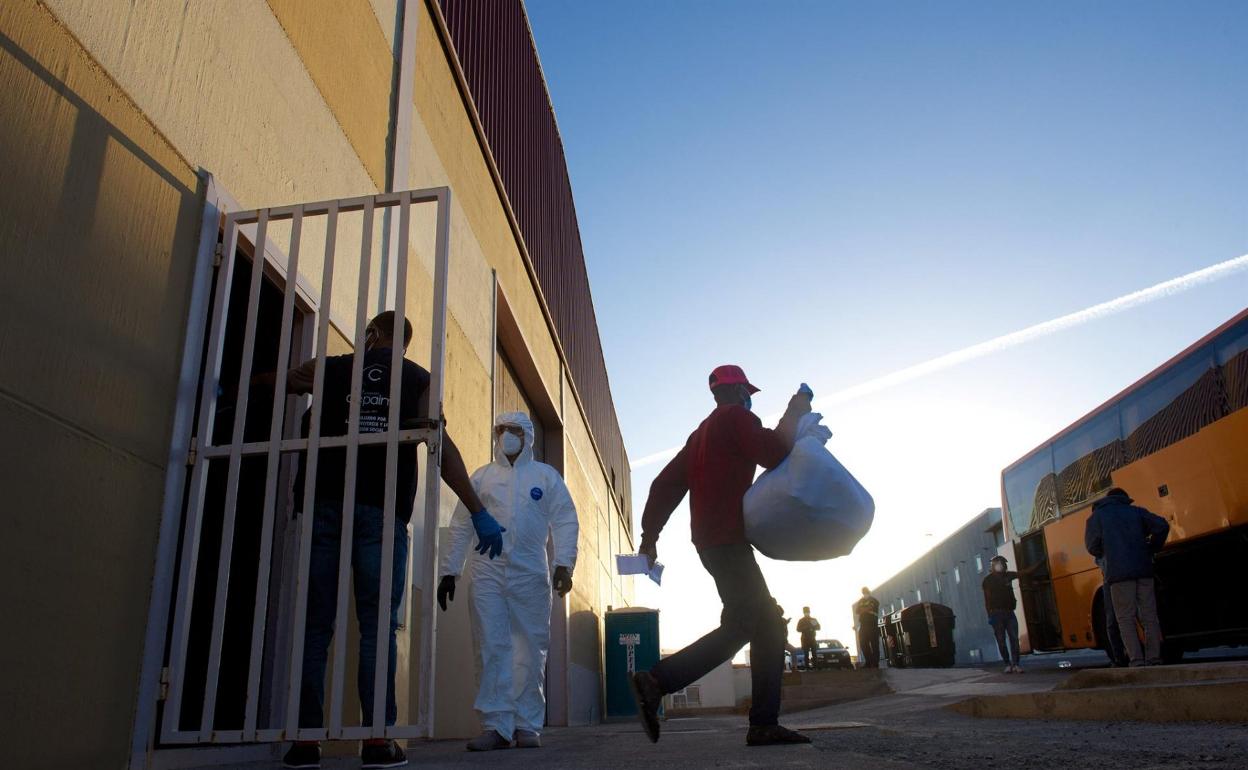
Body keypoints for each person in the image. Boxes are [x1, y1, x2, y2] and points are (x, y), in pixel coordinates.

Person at [272, 312, 504, 770]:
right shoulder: (415, 377)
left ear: (371, 335)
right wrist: (478, 511)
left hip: (323, 507)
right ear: (404, 345)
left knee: (315, 624)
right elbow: (441, 444)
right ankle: (378, 739)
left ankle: (303, 740)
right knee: (377, 627)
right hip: (380, 513)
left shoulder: (334, 367)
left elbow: (288, 381)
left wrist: (269, 380)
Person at [628, 365, 813, 747]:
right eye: (747, 392)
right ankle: (658, 681)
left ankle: (762, 722)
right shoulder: (737, 418)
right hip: (728, 541)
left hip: (710, 545)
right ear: (739, 390)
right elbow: (774, 452)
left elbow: (664, 484)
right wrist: (796, 410)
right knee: (755, 625)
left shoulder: (700, 435)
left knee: (759, 624)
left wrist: (650, 536)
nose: (749, 399)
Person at [438, 412, 579, 751]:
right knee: (490, 646)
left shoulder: (545, 477)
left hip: (531, 573)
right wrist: (450, 570)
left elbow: (565, 520)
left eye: (513, 430)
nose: (506, 436)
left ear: (527, 435)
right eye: (500, 430)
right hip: (487, 573)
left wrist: (564, 564)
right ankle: (496, 726)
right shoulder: (482, 477)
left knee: (530, 648)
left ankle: (526, 725)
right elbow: (461, 524)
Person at [1085, 487, 1170, 667]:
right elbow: (1162, 525)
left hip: (1118, 574)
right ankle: (1154, 657)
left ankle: (1137, 660)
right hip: (1144, 570)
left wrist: (1109, 553)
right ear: (1125, 499)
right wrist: (1151, 548)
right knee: (1149, 616)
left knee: (1125, 618)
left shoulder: (1097, 517)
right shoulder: (1136, 512)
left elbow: (1092, 546)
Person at [982, 555, 1024, 673]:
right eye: (997, 563)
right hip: (996, 614)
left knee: (1014, 638)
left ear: (1005, 565)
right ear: (992, 566)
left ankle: (1016, 664)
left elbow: (1022, 573)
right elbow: (987, 599)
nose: (999, 564)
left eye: (1001, 562)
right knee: (1001, 639)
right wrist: (989, 615)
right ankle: (1007, 664)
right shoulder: (987, 580)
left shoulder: (1008, 576)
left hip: (1009, 612)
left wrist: (1041, 562)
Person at [853, 588, 880, 669]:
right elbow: (857, 611)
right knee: (863, 644)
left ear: (868, 592)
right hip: (863, 625)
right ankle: (868, 662)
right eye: (863, 592)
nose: (864, 594)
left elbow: (870, 608)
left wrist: (863, 609)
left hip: (872, 625)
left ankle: (875, 663)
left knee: (874, 644)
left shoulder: (874, 600)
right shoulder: (861, 601)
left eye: (866, 592)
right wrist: (865, 609)